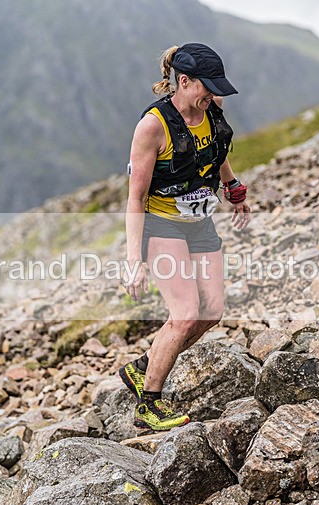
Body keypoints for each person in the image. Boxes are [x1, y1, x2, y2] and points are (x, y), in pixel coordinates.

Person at [118, 43, 251, 431]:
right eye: (206, 87)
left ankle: (144, 367)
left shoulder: (212, 109)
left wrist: (234, 189)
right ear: (184, 80)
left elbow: (216, 149)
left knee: (211, 311)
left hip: (200, 222)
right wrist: (134, 261)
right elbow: (135, 197)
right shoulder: (152, 127)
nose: (214, 94)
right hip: (161, 223)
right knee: (185, 312)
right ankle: (149, 404)